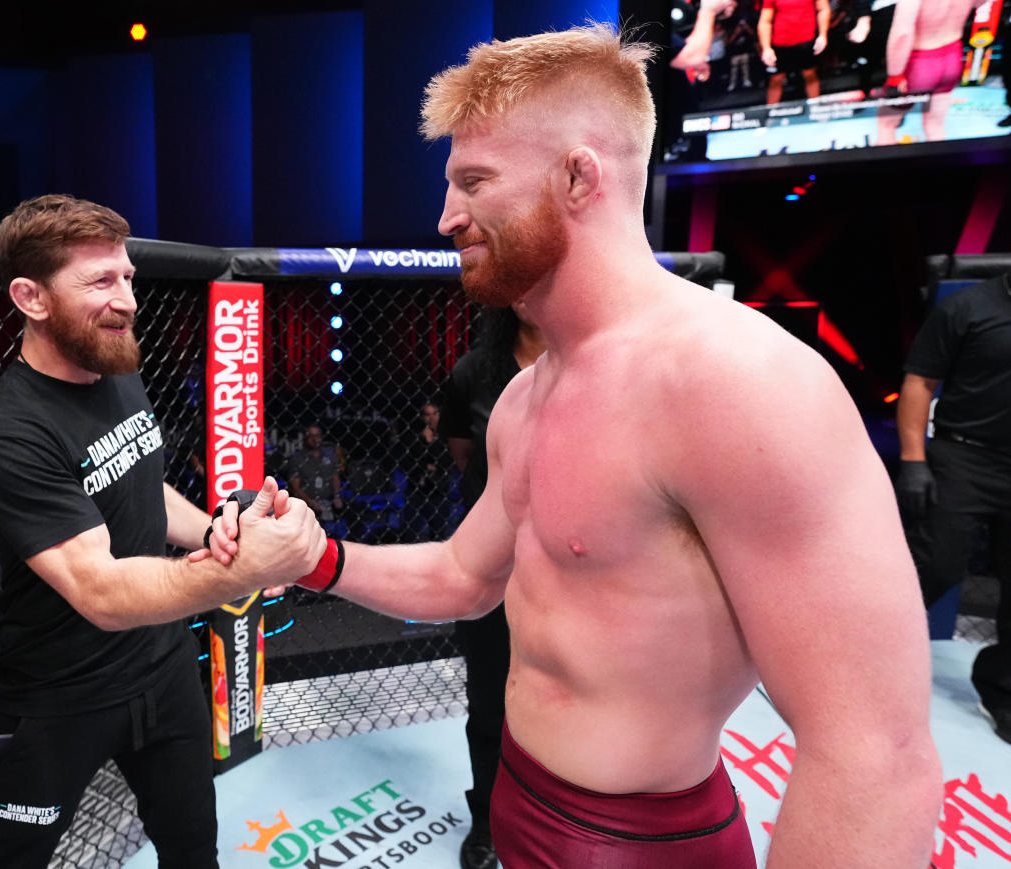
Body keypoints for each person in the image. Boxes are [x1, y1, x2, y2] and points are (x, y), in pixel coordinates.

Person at [265, 23, 940, 867]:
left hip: (648, 842)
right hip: (518, 800)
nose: (446, 217)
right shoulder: (524, 395)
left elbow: (874, 754)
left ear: (578, 176)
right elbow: (465, 578)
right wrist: (311, 556)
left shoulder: (740, 382)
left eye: (474, 182)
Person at [0, 194, 324, 869]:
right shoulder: (7, 433)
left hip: (160, 669)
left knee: (191, 845)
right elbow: (98, 587)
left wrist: (220, 532)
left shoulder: (114, 370)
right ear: (31, 298)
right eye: (100, 281)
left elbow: (140, 483)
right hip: (60, 693)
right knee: (11, 858)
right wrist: (241, 572)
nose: (126, 298)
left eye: (127, 277)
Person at [437, 303, 544, 869]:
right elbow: (464, 457)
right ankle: (486, 821)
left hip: (577, 569)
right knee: (489, 703)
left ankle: (557, 817)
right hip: (496, 565)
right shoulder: (474, 372)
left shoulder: (594, 361)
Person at [896, 273, 1011, 744]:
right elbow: (921, 383)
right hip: (963, 455)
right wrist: (913, 461)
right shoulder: (967, 307)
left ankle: (1001, 692)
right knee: (934, 566)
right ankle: (846, 663)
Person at [876, 0, 983, 145]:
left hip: (920, 63)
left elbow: (902, 35)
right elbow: (979, 3)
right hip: (952, 57)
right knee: (935, 125)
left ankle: (882, 167)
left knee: (886, 125)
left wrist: (895, 76)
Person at [759, 0, 830, 104]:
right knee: (775, 79)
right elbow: (765, 21)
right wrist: (766, 48)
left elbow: (823, 9)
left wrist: (823, 35)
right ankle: (771, 112)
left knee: (810, 74)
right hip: (780, 43)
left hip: (806, 40)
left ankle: (816, 109)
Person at [402, 402, 451, 542]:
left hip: (439, 490)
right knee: (411, 534)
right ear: (422, 417)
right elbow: (409, 463)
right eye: (428, 415)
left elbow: (445, 462)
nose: (432, 418)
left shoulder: (445, 436)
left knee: (440, 535)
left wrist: (431, 442)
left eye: (435, 414)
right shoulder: (414, 437)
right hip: (417, 490)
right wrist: (426, 464)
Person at [286, 424, 345, 526]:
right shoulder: (297, 459)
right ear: (306, 438)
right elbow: (295, 488)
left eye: (317, 435)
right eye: (311, 436)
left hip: (328, 503)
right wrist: (311, 503)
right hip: (306, 506)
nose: (314, 439)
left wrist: (336, 496)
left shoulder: (330, 455)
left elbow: (335, 477)